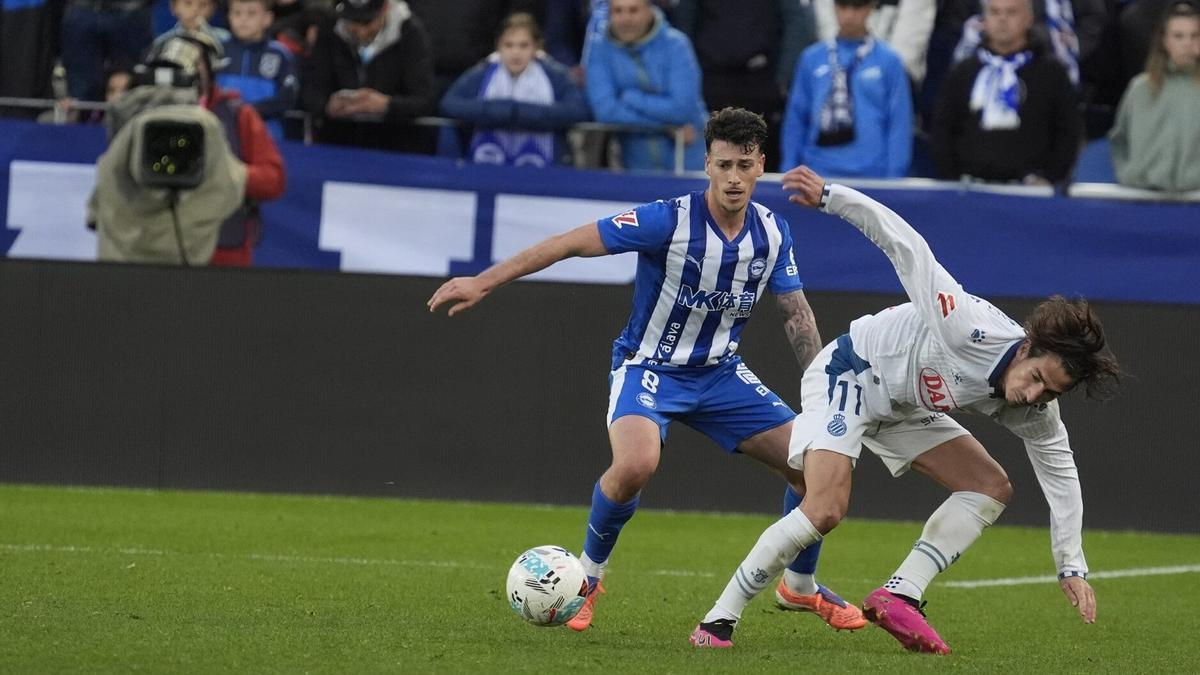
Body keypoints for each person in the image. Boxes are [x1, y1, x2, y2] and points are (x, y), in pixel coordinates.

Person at [428, 108, 867, 636]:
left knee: (812, 466)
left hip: (722, 375)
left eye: (744, 165)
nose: (732, 177)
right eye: (723, 164)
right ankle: (588, 581)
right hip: (650, 368)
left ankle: (798, 587)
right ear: (706, 164)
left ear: (760, 167)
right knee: (636, 464)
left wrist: (820, 395)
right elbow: (569, 242)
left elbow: (795, 312)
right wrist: (486, 281)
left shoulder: (772, 233)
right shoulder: (667, 220)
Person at [689, 164, 1120, 652]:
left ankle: (900, 596)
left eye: (1051, 393)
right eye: (1037, 378)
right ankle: (718, 619)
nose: (1034, 396)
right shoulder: (967, 326)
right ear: (1026, 348)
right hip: (851, 372)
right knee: (826, 507)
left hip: (902, 404)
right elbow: (907, 245)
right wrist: (832, 197)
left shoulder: (1035, 411)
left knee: (990, 487)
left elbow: (1061, 475)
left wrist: (1071, 565)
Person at [139, 33, 286, 265]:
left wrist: (224, 173)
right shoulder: (143, 114)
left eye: (194, 61)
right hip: (159, 245)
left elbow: (273, 180)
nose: (184, 68)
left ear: (211, 68)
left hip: (222, 251)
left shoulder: (238, 115)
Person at [931, 0, 1081, 185]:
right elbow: (943, 129)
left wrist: (1049, 179)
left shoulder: (1052, 73)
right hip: (969, 190)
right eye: (995, 12)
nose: (1002, 19)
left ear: (1028, 19)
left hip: (1032, 194)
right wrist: (952, 178)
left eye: (1011, 13)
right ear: (984, 20)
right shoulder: (964, 72)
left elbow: (1068, 133)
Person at [780, 0, 913, 178]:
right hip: (817, 172)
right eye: (843, 7)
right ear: (834, 7)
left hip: (873, 174)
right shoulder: (811, 58)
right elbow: (796, 119)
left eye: (857, 7)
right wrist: (788, 169)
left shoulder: (890, 61)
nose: (849, 15)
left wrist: (894, 177)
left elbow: (899, 122)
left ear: (870, 8)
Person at [439, 12, 591, 167]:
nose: (516, 52)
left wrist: (520, 112)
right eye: (509, 45)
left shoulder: (555, 75)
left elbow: (578, 109)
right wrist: (499, 110)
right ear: (499, 46)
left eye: (524, 45)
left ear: (536, 47)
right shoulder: (483, 72)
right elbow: (450, 103)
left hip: (545, 169)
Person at [584, 0, 709, 171]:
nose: (625, 18)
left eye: (633, 10)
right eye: (618, 11)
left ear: (650, 10)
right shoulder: (599, 48)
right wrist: (666, 128)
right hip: (636, 167)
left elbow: (681, 109)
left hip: (690, 158)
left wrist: (631, 97)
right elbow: (606, 111)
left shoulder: (677, 44)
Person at [300, 0, 438, 152]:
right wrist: (326, 105)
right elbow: (310, 88)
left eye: (367, 22)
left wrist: (386, 105)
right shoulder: (330, 29)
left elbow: (425, 99)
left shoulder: (410, 32)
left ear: (384, 8)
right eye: (353, 21)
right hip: (337, 143)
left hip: (396, 146)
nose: (360, 30)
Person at [1109, 0, 1200, 192]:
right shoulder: (1140, 89)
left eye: (1194, 36)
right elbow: (1119, 140)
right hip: (1144, 200)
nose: (1187, 43)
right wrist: (1128, 174)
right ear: (1165, 40)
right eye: (1179, 36)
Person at [217, 0, 300, 141]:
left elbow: (288, 97)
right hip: (222, 132)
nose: (243, 19)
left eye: (251, 13)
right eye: (237, 13)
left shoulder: (280, 54)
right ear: (229, 16)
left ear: (267, 19)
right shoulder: (217, 50)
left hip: (267, 134)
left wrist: (248, 111)